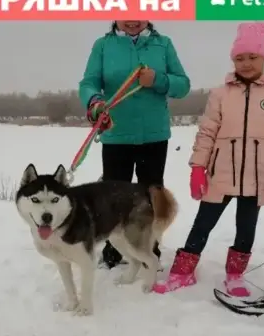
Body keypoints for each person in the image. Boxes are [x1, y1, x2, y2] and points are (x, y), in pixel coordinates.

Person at [153, 21, 264, 297]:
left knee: (246, 227)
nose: (245, 63)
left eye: (252, 57)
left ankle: (235, 275)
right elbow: (206, 132)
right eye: (239, 58)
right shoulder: (220, 94)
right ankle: (182, 273)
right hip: (221, 174)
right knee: (202, 224)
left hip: (257, 177)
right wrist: (198, 168)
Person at [79, 21, 190, 269]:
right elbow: (88, 83)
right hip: (116, 135)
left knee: (151, 195)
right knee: (112, 197)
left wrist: (158, 79)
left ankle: (149, 246)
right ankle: (114, 249)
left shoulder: (163, 44)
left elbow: (183, 85)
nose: (131, 20)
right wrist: (95, 102)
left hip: (154, 135)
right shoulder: (104, 45)